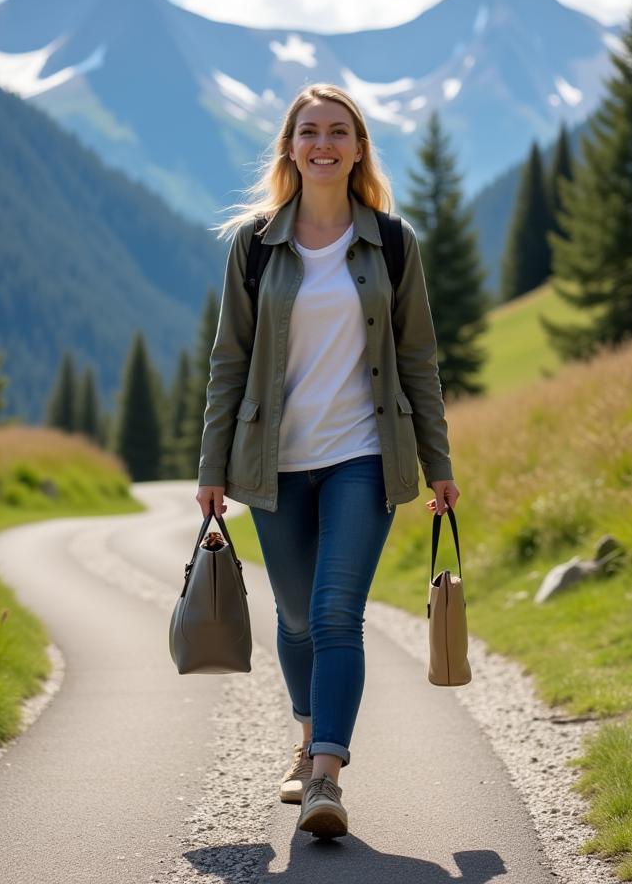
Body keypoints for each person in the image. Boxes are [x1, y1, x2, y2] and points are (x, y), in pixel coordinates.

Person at [195, 83, 460, 840]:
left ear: (358, 147)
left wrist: (437, 462)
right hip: (271, 463)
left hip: (363, 456)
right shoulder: (255, 244)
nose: (323, 143)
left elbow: (419, 360)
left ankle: (325, 778)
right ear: (290, 147)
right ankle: (306, 732)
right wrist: (211, 467)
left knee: (335, 613)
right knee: (293, 615)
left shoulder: (391, 242)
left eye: (338, 131)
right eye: (309, 131)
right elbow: (228, 361)